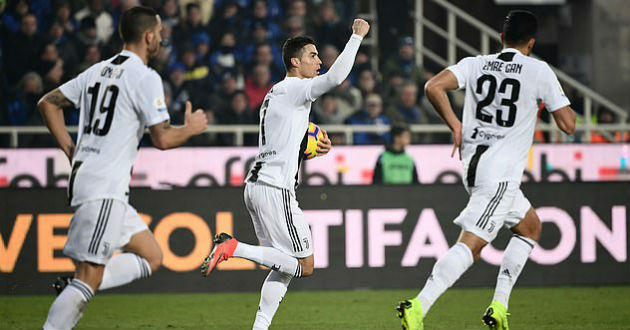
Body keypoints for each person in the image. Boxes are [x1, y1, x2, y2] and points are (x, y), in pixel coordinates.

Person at [396, 10, 576, 330]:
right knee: (472, 245)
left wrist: (455, 124)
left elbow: (433, 86)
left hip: (474, 166)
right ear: (531, 43)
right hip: (500, 174)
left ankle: (498, 306)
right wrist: (542, 100)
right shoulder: (538, 70)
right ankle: (418, 305)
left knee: (530, 226)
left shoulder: (475, 63)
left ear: (501, 39)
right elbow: (568, 125)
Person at [37, 7, 208, 330]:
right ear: (148, 36)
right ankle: (75, 294)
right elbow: (162, 138)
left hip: (101, 186)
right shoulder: (144, 77)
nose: (160, 37)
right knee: (87, 277)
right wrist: (191, 128)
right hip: (104, 187)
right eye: (158, 32)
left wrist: (71, 149)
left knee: (152, 256)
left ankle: (81, 285)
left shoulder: (97, 71)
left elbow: (48, 102)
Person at [201, 19, 370, 330]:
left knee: (282, 265)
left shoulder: (275, 93)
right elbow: (335, 78)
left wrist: (308, 144)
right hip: (276, 188)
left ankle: (260, 327)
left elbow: (283, 135)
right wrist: (357, 37)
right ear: (295, 62)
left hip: (256, 185)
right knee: (304, 266)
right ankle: (233, 247)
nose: (318, 61)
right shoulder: (296, 88)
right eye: (312, 55)